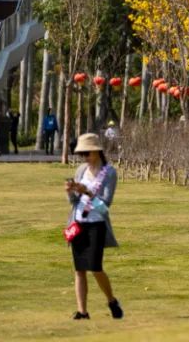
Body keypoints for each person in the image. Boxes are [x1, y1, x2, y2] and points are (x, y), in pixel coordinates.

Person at [65, 133, 123, 321]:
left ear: (97, 151)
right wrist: (71, 191)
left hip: (96, 224)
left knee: (95, 267)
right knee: (79, 269)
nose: (85, 158)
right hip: (78, 223)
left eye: (87, 153)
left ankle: (111, 300)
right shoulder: (81, 170)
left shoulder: (109, 173)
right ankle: (82, 311)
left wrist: (87, 191)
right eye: (82, 154)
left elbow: (105, 206)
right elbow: (73, 201)